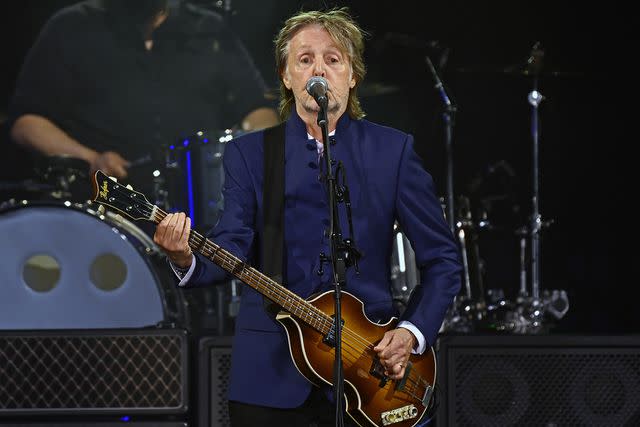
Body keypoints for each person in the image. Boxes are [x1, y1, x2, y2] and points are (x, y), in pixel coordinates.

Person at [154, 7, 461, 427]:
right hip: (270, 377)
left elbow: (443, 259)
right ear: (286, 77)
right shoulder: (250, 154)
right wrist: (184, 258)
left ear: (353, 75)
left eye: (333, 59)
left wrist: (411, 333)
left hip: (372, 372)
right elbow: (231, 244)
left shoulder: (394, 152)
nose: (319, 68)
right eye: (305, 59)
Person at [6, 0, 278, 199]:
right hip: (109, 208)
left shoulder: (209, 29)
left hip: (202, 209)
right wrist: (91, 159)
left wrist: (256, 152)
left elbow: (257, 109)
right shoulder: (72, 26)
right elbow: (27, 122)